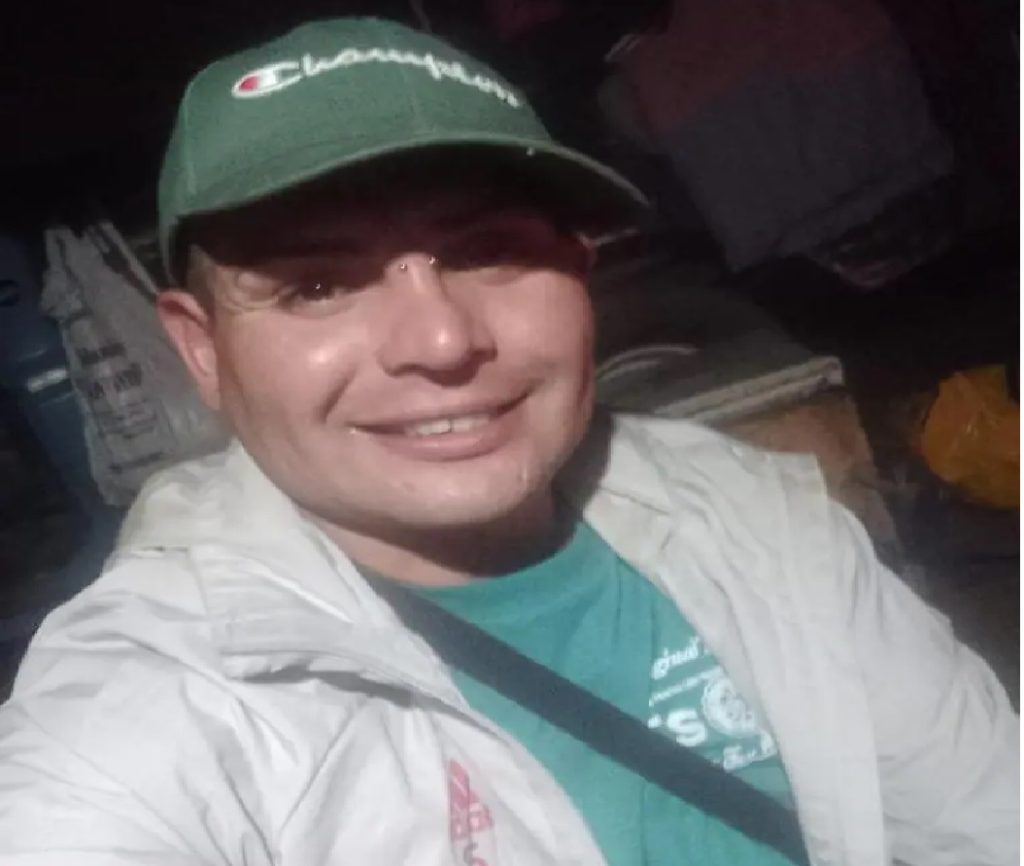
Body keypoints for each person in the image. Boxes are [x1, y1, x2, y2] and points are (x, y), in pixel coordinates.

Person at [0, 16, 1016, 866]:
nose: (442, 341)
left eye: (489, 252)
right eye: (316, 284)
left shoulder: (748, 514)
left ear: (579, 274)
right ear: (202, 349)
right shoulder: (146, 701)